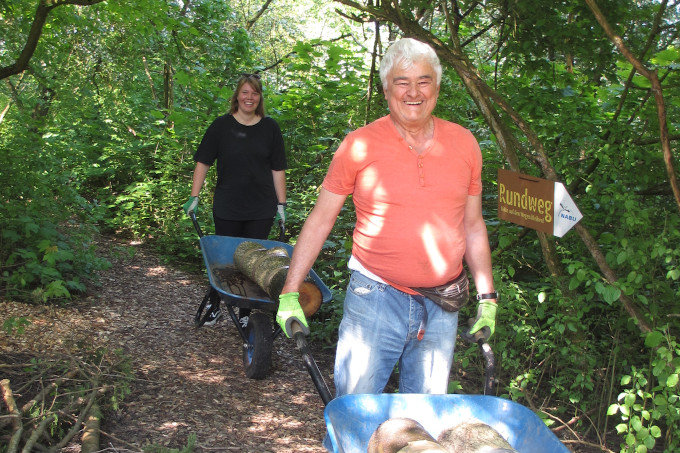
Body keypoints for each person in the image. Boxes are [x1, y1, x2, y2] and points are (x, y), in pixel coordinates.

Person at [275, 37, 498, 447]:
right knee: (355, 412)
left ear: (437, 87)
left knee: (426, 423)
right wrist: (291, 291)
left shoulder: (464, 143)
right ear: (385, 89)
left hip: (442, 305)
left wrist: (488, 298)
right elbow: (322, 219)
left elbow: (473, 225)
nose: (414, 92)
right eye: (402, 82)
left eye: (424, 81)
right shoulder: (359, 144)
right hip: (374, 297)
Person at [184, 73, 288, 326]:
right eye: (245, 92)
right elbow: (203, 162)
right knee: (226, 260)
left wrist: (282, 204)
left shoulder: (270, 128)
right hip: (228, 205)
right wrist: (193, 196)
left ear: (260, 97)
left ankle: (245, 314)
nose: (249, 98)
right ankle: (215, 305)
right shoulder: (221, 126)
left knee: (253, 261)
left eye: (254, 93)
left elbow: (278, 169)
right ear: (237, 96)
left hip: (261, 207)